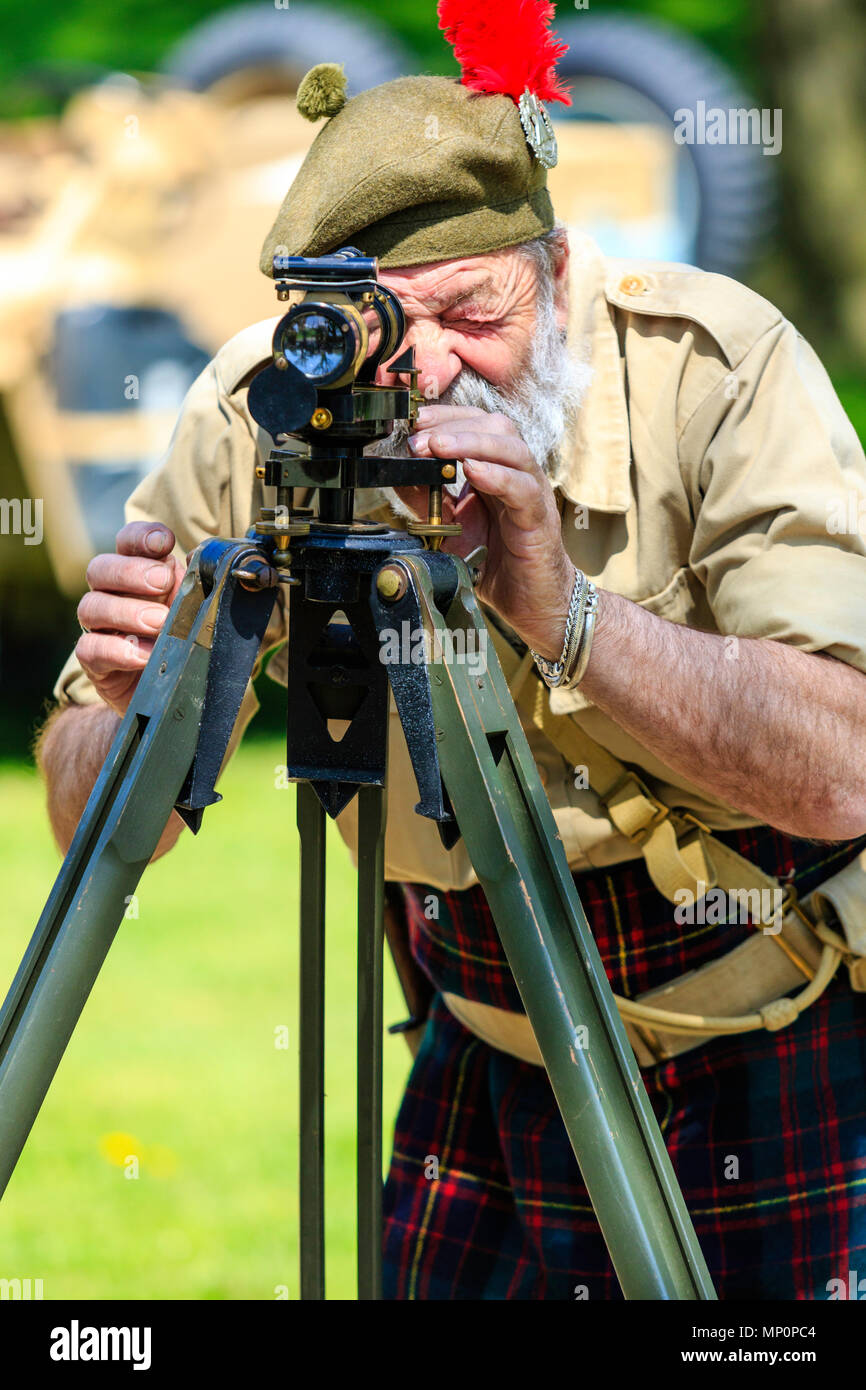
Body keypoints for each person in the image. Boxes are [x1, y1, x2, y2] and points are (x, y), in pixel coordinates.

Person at [36, 5, 866, 1300]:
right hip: (486, 1048)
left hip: (765, 1039)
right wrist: (150, 712)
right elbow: (91, 822)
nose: (426, 376)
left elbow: (843, 770)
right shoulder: (265, 408)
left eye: (470, 312)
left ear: (553, 262)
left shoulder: (709, 365)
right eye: (373, 329)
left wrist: (561, 612)